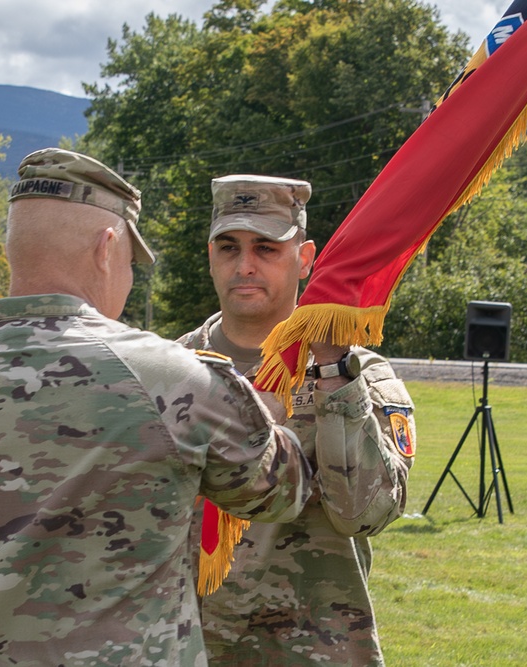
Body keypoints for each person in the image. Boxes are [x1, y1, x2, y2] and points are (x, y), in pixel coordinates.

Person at [0, 148, 313, 666]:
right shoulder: (170, 378)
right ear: (106, 248)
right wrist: (269, 410)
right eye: (130, 263)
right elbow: (281, 493)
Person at [177, 174, 417, 666]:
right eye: (229, 247)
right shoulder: (171, 370)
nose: (244, 266)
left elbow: (364, 514)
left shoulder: (359, 375)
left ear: (305, 259)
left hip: (317, 651)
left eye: (266, 248)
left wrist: (331, 372)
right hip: (189, 650)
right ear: (210, 255)